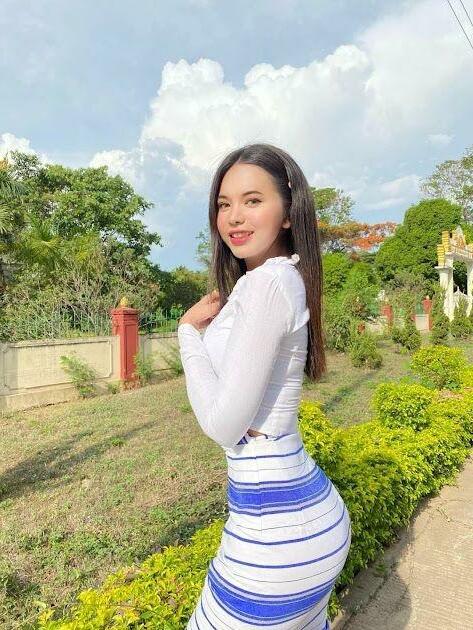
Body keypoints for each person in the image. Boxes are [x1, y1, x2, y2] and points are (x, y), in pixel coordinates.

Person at [177, 143, 352, 629]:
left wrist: (187, 335)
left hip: (273, 542)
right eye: (223, 204)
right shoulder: (275, 280)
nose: (234, 216)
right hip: (297, 519)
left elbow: (223, 425)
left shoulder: (268, 284)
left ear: (289, 213)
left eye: (253, 200)